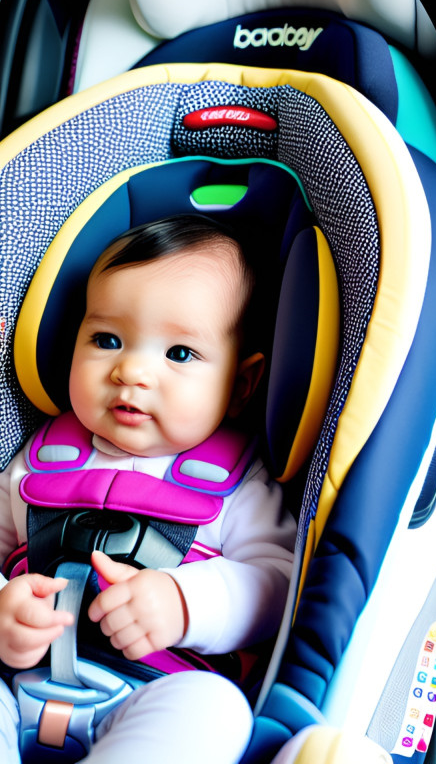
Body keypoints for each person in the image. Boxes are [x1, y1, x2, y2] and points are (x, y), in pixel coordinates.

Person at [0, 215, 296, 764]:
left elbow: (278, 586)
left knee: (217, 708)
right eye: (107, 340)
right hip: (17, 684)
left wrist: (183, 603)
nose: (130, 370)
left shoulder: (241, 485)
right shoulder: (37, 461)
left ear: (241, 384)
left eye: (179, 353)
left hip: (154, 691)